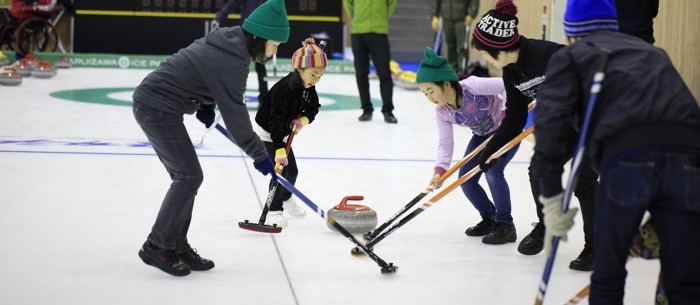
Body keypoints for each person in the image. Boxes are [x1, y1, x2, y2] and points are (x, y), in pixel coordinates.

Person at [532, 0, 700, 303]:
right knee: (685, 281)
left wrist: (552, 200)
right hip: (688, 161)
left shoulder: (571, 56)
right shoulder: (654, 54)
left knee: (608, 274)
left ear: (572, 30)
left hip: (627, 161)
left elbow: (549, 129)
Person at [132, 0, 289, 277]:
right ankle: (157, 245)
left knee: (188, 176)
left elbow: (201, 70)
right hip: (156, 107)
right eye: (274, 46)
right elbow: (237, 118)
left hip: (160, 105)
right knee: (188, 176)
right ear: (260, 37)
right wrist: (260, 155)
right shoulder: (234, 59)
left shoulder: (229, 43)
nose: (275, 52)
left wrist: (205, 104)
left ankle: (176, 245)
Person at [470, 0, 597, 271]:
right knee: (538, 169)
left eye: (486, 53)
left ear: (501, 47)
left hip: (593, 120)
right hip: (564, 127)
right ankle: (547, 223)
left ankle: (595, 247)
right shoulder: (510, 72)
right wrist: (492, 150)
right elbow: (515, 118)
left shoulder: (549, 55)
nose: (485, 59)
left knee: (583, 180)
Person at [416, 46, 519, 244]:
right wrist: (440, 171)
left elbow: (507, 86)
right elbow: (445, 143)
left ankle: (506, 225)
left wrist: (506, 114)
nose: (430, 98)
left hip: (506, 131)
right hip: (482, 136)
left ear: (446, 84)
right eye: (425, 94)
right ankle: (490, 218)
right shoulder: (442, 112)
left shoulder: (472, 86)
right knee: (466, 179)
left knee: (493, 172)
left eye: (431, 91)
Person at [254, 38, 326, 227]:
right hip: (268, 134)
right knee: (280, 172)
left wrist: (303, 120)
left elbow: (314, 107)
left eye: (319, 76)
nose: (316, 80)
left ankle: (286, 198)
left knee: (292, 171)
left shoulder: (309, 88)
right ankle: (274, 210)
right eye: (313, 74)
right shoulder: (283, 90)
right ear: (300, 69)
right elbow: (274, 122)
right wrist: (278, 149)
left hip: (284, 132)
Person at [343, 0, 398, 124]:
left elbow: (392, 3)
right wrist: (355, 15)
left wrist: (382, 17)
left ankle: (388, 110)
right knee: (361, 74)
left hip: (379, 32)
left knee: (384, 73)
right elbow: (347, 2)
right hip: (358, 32)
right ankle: (366, 109)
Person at [211, 0, 269, 102]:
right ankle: (236, 94)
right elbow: (233, 3)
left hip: (262, 33)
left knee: (261, 64)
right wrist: (219, 17)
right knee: (239, 64)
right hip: (245, 31)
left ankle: (264, 96)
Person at [430, 0, 480, 74]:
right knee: (450, 45)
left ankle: (462, 71)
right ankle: (451, 69)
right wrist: (434, 15)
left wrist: (471, 13)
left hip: (462, 20)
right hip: (446, 18)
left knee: (463, 46)